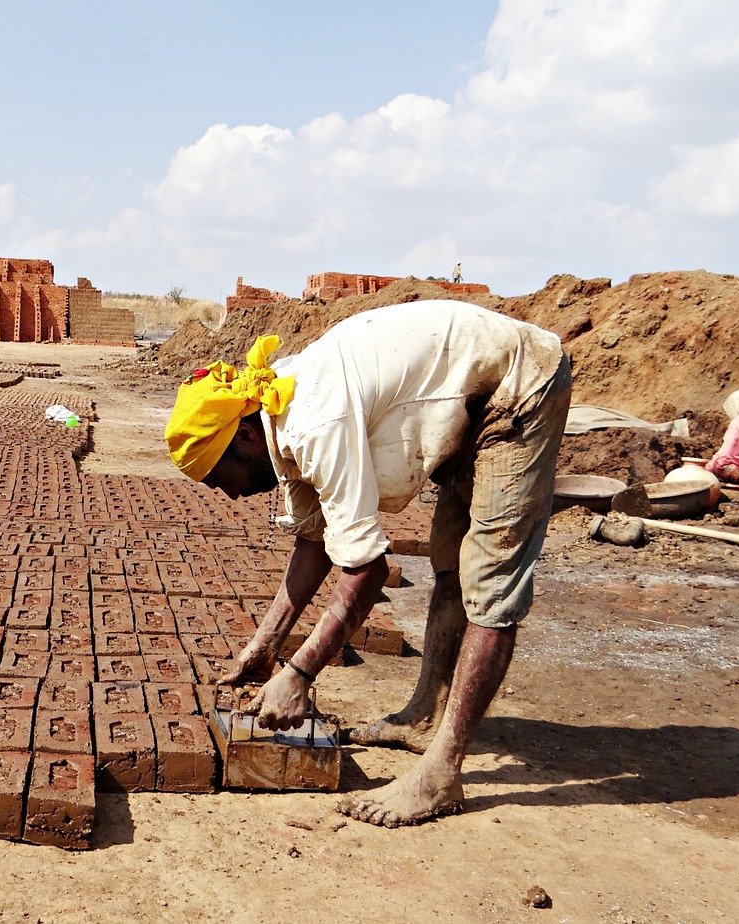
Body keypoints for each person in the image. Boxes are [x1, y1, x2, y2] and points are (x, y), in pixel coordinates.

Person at [164, 300, 571, 827]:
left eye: (221, 478)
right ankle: (425, 717)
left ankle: (442, 773)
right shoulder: (278, 417)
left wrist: (299, 674)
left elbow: (368, 570)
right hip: (468, 392)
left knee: (490, 585)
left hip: (518, 386)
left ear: (242, 436)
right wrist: (264, 647)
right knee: (451, 565)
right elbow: (313, 545)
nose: (231, 495)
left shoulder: (313, 422)